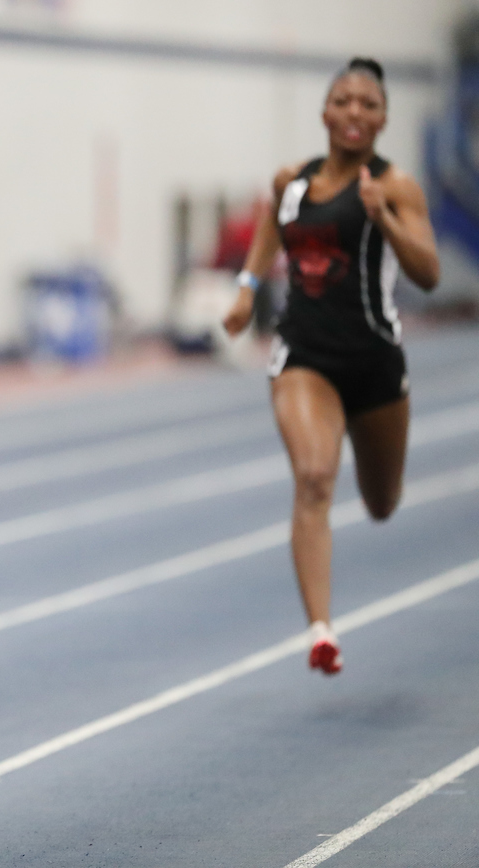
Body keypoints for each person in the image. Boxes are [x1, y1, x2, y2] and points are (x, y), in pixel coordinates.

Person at [223, 58, 439, 676]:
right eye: (344, 101)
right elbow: (272, 225)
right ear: (325, 113)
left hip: (373, 361)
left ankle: (330, 605)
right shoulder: (291, 182)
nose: (355, 112)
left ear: (383, 119)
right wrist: (246, 288)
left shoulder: (394, 186)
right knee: (315, 477)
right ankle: (321, 629)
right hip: (304, 356)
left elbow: (428, 273)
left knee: (381, 502)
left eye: (368, 104)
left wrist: (384, 218)